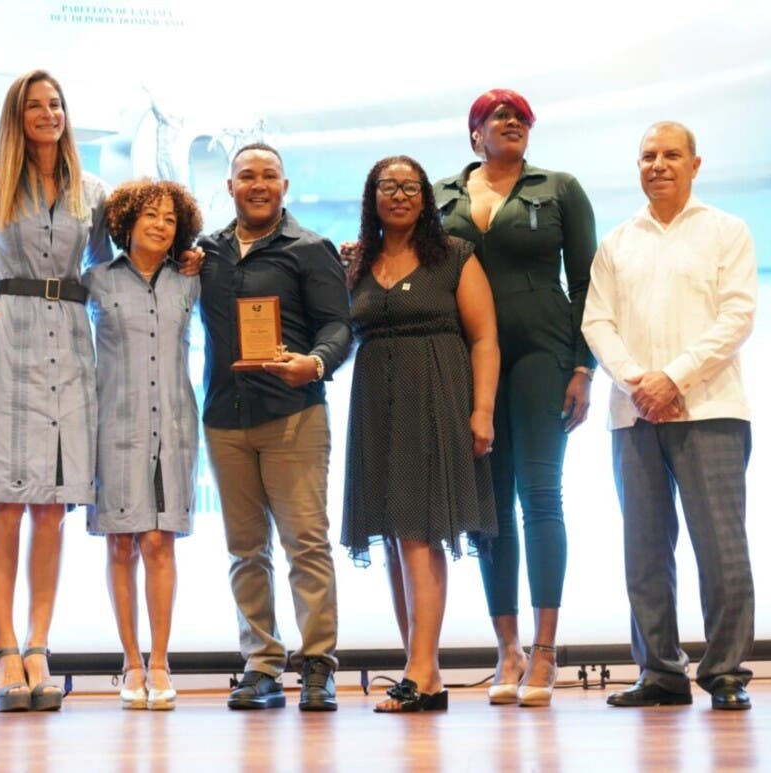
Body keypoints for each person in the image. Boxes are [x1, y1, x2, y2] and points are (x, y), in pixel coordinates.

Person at [583, 121, 757, 711]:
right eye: (648, 156)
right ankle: (659, 671)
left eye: (671, 155)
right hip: (634, 415)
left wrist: (673, 378)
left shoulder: (727, 232)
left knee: (722, 550)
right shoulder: (617, 242)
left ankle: (725, 672)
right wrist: (639, 383)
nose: (658, 164)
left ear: (695, 164)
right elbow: (597, 321)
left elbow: (737, 317)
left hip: (711, 410)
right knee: (645, 552)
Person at [433, 89, 597, 706]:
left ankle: (546, 649)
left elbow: (586, 282)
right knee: (490, 507)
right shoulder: (441, 195)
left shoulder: (560, 188)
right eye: (498, 115)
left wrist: (583, 366)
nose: (512, 121)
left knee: (541, 494)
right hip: (466, 361)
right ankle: (508, 648)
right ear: (474, 133)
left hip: (541, 355)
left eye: (521, 116)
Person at [0, 69, 114, 712]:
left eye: (56, 103)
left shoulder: (93, 190)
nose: (48, 113)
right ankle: (4, 649)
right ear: (16, 116)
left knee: (52, 506)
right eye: (34, 105)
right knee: (5, 503)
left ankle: (38, 646)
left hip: (72, 344)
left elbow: (111, 264)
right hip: (10, 339)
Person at [342, 156, 499, 712]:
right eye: (388, 186)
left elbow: (484, 339)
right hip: (375, 405)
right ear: (373, 197)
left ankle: (423, 671)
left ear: (426, 197)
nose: (400, 195)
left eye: (411, 187)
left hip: (434, 397)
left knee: (419, 533)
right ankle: (421, 669)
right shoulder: (358, 262)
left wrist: (483, 411)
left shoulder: (454, 255)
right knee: (392, 535)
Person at [198, 143, 351, 711]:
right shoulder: (205, 252)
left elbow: (339, 326)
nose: (257, 185)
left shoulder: (309, 249)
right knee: (245, 550)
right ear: (230, 186)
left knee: (305, 545)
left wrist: (316, 363)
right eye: (246, 176)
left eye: (268, 176)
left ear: (284, 185)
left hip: (294, 414)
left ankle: (318, 664)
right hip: (225, 418)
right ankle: (261, 666)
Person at [82, 179, 203, 710]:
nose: (160, 225)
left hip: (174, 426)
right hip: (115, 426)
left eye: (170, 219)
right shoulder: (95, 280)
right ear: (126, 222)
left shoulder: (191, 280)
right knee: (121, 544)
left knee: (159, 542)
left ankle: (159, 661)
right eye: (150, 215)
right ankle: (130, 662)